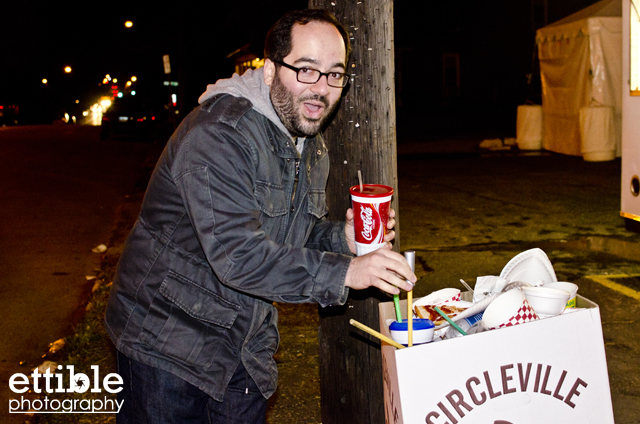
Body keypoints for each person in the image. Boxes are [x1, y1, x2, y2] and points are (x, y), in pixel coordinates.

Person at [104, 9, 416, 424]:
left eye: (334, 74)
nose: (321, 89)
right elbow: (238, 255)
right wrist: (347, 272)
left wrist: (344, 242)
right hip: (167, 343)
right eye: (306, 70)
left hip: (244, 343)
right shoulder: (217, 136)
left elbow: (289, 237)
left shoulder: (307, 142)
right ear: (269, 70)